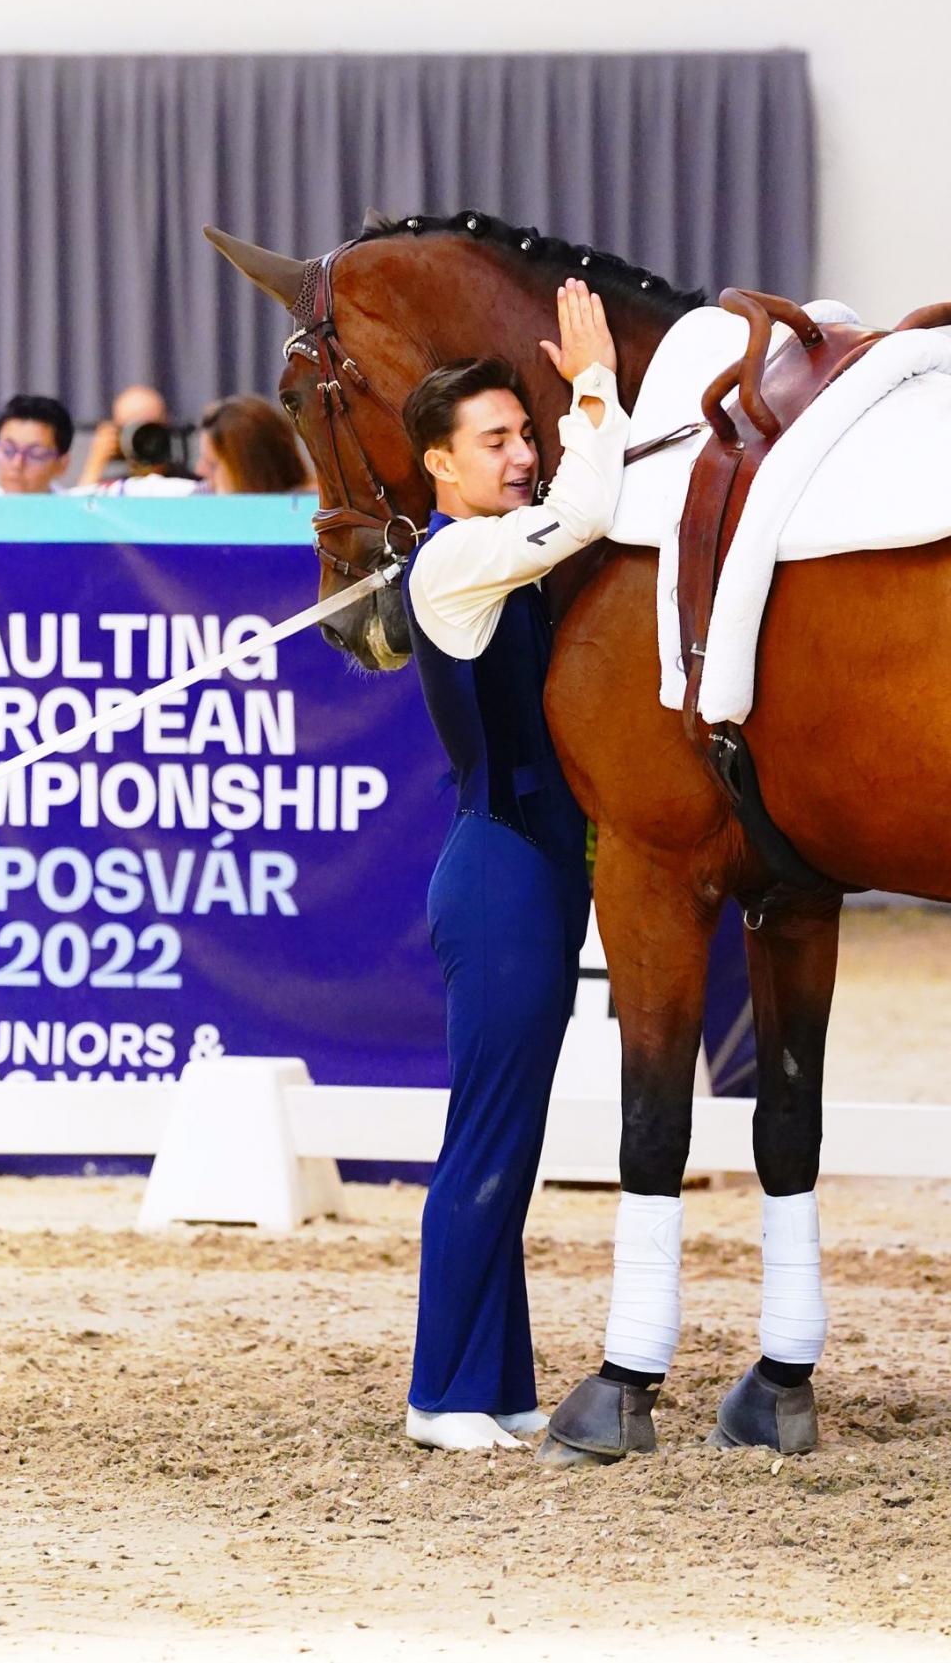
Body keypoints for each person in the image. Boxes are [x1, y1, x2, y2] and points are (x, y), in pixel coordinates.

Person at [400, 280, 628, 1453]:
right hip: (499, 880)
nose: (525, 453)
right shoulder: (457, 561)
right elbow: (592, 505)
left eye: (525, 432)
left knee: (512, 1137)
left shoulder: (491, 556)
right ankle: (441, 1392)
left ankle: (495, 1382)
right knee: (486, 1137)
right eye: (497, 440)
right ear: (439, 466)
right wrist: (593, 384)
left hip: (536, 875)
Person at [75, 384, 195, 498]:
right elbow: (80, 512)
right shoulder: (113, 490)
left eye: (151, 428)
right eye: (132, 429)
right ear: (118, 435)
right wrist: (95, 463)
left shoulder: (191, 487)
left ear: (166, 427)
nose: (144, 438)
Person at [194, 396, 313, 494]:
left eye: (212, 465)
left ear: (250, 471)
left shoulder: (311, 511)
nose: (199, 470)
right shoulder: (199, 498)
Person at [0, 395, 74, 496]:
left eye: (35, 454)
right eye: (8, 451)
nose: (17, 464)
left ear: (62, 465)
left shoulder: (72, 509)